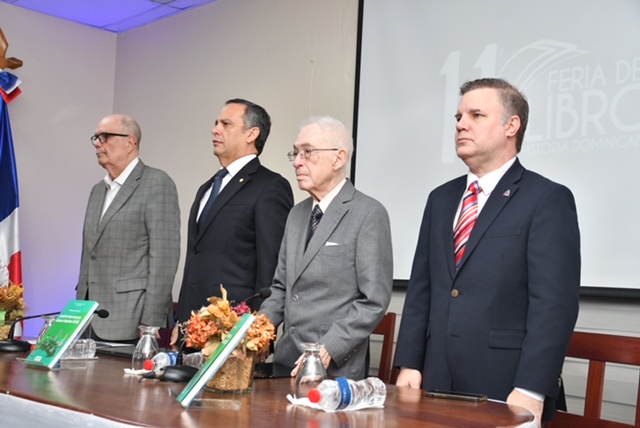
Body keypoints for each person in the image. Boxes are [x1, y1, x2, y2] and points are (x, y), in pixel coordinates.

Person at [394, 78, 581, 424]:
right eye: (459, 116)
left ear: (512, 126)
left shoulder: (547, 199)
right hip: (434, 380)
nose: (461, 124)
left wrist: (532, 388)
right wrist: (409, 362)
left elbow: (554, 305)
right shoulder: (441, 199)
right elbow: (422, 288)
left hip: (505, 386)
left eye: (476, 115)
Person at [259, 116, 393, 380]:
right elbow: (280, 289)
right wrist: (253, 334)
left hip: (334, 371)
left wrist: (327, 349)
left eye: (307, 152)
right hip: (285, 363)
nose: (297, 161)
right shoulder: (296, 215)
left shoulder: (368, 213)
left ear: (339, 158)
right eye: (295, 152)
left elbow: (373, 301)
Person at [174, 99, 293, 332]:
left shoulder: (270, 186)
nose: (215, 129)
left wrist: (258, 330)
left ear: (252, 134)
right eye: (216, 123)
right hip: (193, 325)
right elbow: (196, 258)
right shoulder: (208, 187)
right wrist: (181, 320)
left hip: (234, 328)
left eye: (226, 124)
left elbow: (272, 267)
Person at [76, 114, 180, 342]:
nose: (97, 143)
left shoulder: (156, 183)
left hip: (131, 321)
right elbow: (89, 256)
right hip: (87, 320)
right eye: (96, 137)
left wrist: (150, 323)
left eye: (105, 137)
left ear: (130, 142)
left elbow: (164, 259)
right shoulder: (97, 190)